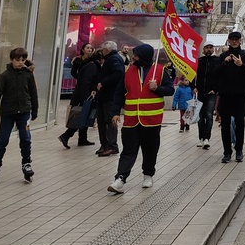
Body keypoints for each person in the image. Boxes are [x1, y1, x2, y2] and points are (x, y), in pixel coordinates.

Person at [107, 44, 175, 194]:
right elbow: (119, 93)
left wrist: (157, 89)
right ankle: (120, 179)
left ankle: (148, 175)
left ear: (144, 56)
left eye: (136, 55)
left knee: (150, 150)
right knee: (128, 151)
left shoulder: (160, 70)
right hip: (131, 120)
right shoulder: (128, 71)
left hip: (152, 120)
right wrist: (115, 112)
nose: (134, 57)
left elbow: (170, 90)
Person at [0, 47, 39, 184]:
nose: (21, 62)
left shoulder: (28, 75)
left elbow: (33, 93)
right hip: (8, 113)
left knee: (25, 138)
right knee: (2, 139)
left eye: (23, 60)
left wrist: (35, 110)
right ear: (12, 60)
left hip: (24, 113)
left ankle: (26, 162)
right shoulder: (4, 76)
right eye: (18, 60)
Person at [210, 32, 245, 163]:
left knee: (240, 123)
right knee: (225, 124)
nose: (234, 42)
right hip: (226, 95)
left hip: (241, 95)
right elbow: (214, 73)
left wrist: (241, 65)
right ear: (228, 41)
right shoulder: (223, 56)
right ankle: (227, 152)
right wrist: (224, 63)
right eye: (232, 39)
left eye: (236, 39)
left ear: (240, 41)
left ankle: (239, 150)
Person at [59, 43, 99, 148]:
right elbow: (81, 76)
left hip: (84, 91)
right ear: (83, 49)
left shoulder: (91, 62)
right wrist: (80, 79)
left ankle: (82, 138)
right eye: (87, 48)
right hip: (84, 92)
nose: (89, 50)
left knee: (84, 115)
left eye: (91, 48)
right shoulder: (84, 62)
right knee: (82, 114)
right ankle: (66, 135)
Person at [94, 41, 125, 157]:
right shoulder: (110, 59)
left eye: (103, 49)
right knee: (101, 121)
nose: (102, 51)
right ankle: (105, 144)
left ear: (107, 50)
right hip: (104, 96)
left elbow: (118, 73)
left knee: (109, 121)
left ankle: (112, 146)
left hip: (110, 96)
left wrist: (103, 82)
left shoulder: (114, 59)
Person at [195, 42, 220, 149]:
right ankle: (201, 138)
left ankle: (206, 138)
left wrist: (215, 89)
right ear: (203, 49)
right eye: (207, 47)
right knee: (200, 117)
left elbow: (220, 76)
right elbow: (191, 74)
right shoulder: (199, 61)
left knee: (209, 115)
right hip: (200, 92)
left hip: (211, 93)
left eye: (210, 47)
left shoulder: (217, 61)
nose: (209, 49)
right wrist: (193, 87)